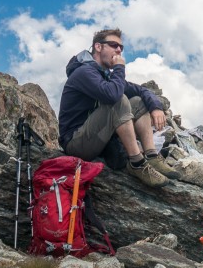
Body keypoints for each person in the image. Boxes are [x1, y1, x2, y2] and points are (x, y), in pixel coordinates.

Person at [57, 28, 179, 188]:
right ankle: (137, 163)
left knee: (138, 101)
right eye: (114, 45)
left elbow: (141, 91)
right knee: (118, 99)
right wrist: (120, 68)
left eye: (121, 47)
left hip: (96, 137)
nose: (119, 50)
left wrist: (155, 107)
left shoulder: (104, 75)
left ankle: (152, 156)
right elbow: (113, 96)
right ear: (98, 47)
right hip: (76, 143)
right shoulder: (84, 72)